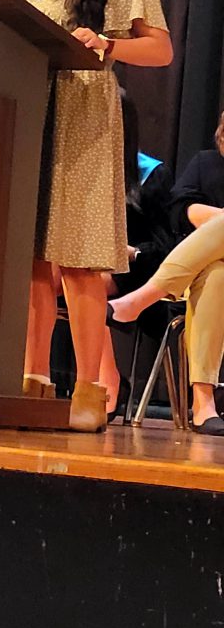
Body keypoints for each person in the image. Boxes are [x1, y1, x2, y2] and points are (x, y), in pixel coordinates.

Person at [0, 0, 172, 431]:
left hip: (84, 113)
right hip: (28, 109)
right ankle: (32, 383)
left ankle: (90, 388)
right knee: (32, 258)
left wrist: (109, 46)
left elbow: (160, 49)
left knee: (80, 258)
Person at [109, 111, 224, 434]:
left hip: (189, 272)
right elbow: (182, 212)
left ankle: (141, 299)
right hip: (208, 272)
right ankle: (204, 405)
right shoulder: (206, 164)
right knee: (217, 276)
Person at [98, 89, 175, 420]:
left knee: (90, 280)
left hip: (138, 272)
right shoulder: (79, 169)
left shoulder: (151, 174)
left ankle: (105, 382)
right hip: (87, 266)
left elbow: (168, 251)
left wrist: (127, 252)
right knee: (41, 276)